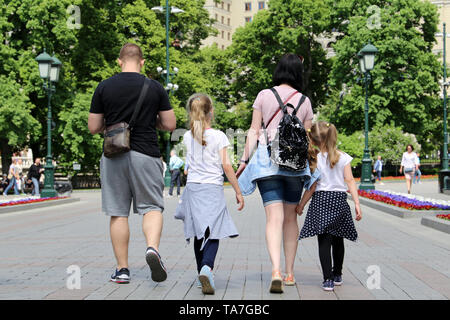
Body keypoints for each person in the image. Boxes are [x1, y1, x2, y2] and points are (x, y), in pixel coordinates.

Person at [88, 43, 176, 284]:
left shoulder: (104, 87)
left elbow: (93, 127)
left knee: (118, 212)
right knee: (152, 207)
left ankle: (123, 269)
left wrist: (112, 123)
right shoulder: (155, 87)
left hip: (113, 155)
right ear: (142, 61)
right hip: (146, 154)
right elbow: (169, 124)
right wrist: (151, 121)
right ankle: (152, 249)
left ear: (119, 61)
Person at [236, 54, 314, 293]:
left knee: (274, 219)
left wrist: (243, 160)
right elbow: (308, 139)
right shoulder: (305, 101)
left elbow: (253, 130)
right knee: (291, 218)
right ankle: (290, 273)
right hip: (295, 167)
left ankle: (276, 271)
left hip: (266, 165)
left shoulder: (264, 95)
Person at [175, 93, 244, 295]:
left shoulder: (187, 136)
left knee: (199, 232)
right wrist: (238, 191)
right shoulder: (219, 136)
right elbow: (226, 167)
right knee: (213, 231)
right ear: (210, 112)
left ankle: (200, 274)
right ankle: (207, 267)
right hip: (212, 188)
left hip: (193, 189)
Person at [296, 121, 362, 292]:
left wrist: (301, 205)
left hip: (321, 200)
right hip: (339, 201)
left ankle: (328, 279)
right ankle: (338, 274)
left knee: (324, 242)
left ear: (315, 140)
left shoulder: (315, 159)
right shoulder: (343, 157)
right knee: (338, 240)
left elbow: (312, 187)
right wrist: (356, 203)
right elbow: (350, 181)